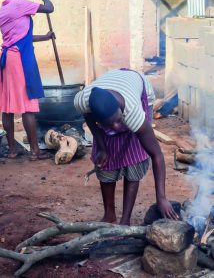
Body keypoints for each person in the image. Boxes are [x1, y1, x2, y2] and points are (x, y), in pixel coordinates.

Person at [74, 68, 178, 225]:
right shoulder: (81, 101)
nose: (116, 127)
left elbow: (156, 154)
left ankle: (125, 220)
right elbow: (88, 118)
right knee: (105, 163)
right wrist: (102, 147)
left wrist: (161, 198)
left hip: (137, 88)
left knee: (134, 161)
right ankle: (109, 215)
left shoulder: (133, 113)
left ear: (121, 110)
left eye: (118, 120)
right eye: (110, 124)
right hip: (115, 85)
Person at [0, 0, 54, 160]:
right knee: (27, 105)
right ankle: (35, 151)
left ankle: (12, 150)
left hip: (6, 58)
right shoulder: (20, 4)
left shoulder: (1, 11)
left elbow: (21, 36)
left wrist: (46, 37)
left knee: (7, 106)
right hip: (19, 59)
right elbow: (49, 9)